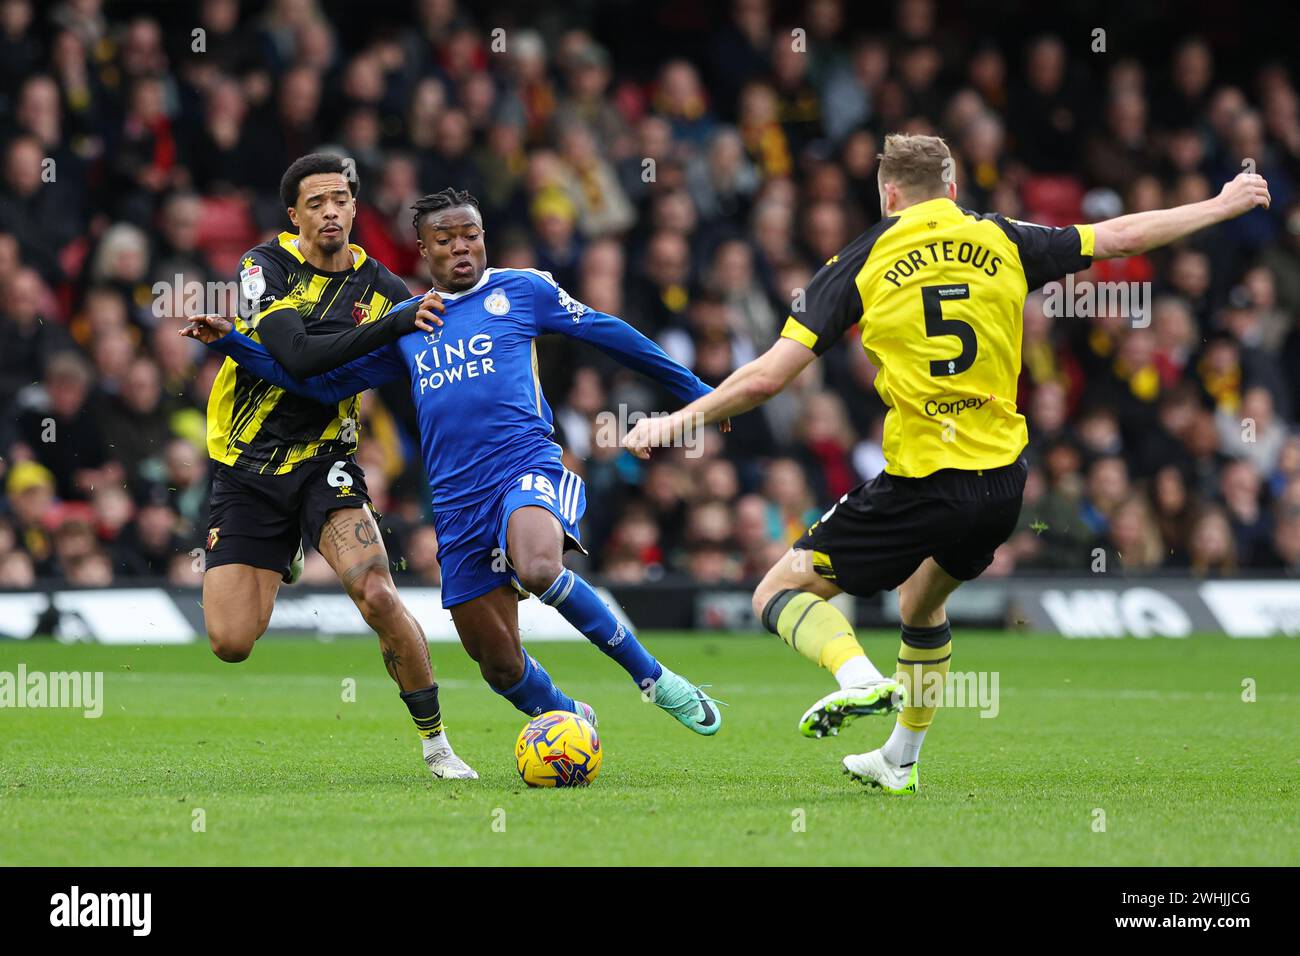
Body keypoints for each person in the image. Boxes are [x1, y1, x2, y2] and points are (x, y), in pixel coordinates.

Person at [625, 133, 1271, 793]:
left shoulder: (863, 256)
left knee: (777, 591)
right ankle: (900, 759)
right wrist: (1219, 204)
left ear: (889, 195)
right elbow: (1121, 237)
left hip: (925, 480)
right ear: (954, 190)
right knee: (922, 602)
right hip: (1003, 485)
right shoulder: (1002, 237)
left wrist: (677, 420)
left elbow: (766, 380)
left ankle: (858, 677)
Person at [185, 188, 725, 736]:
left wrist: (699, 393)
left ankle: (656, 680)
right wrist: (235, 343)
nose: (462, 248)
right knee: (498, 664)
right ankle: (565, 715)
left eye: (472, 236)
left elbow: (610, 333)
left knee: (539, 566)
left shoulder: (523, 289)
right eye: (446, 240)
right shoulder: (409, 321)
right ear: (423, 250)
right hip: (456, 500)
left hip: (525, 466)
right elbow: (319, 383)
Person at [198, 153, 475, 779]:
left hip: (329, 460)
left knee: (377, 594)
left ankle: (437, 744)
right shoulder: (262, 268)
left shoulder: (384, 290)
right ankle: (285, 554)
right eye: (315, 203)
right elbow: (296, 357)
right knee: (231, 643)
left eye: (340, 200)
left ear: (354, 206)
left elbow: (412, 379)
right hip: (249, 465)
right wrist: (392, 327)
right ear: (294, 216)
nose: (330, 211)